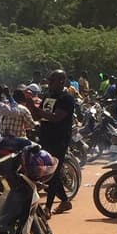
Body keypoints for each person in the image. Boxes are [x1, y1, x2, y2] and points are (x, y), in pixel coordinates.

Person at [27, 70, 76, 215]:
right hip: (45, 138)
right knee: (46, 173)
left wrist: (37, 110)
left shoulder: (66, 98)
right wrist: (31, 107)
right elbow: (38, 116)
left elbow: (56, 117)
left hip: (59, 140)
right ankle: (65, 201)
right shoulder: (48, 96)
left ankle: (47, 208)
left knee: (53, 173)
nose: (49, 84)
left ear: (61, 81)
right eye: (49, 81)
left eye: (52, 81)